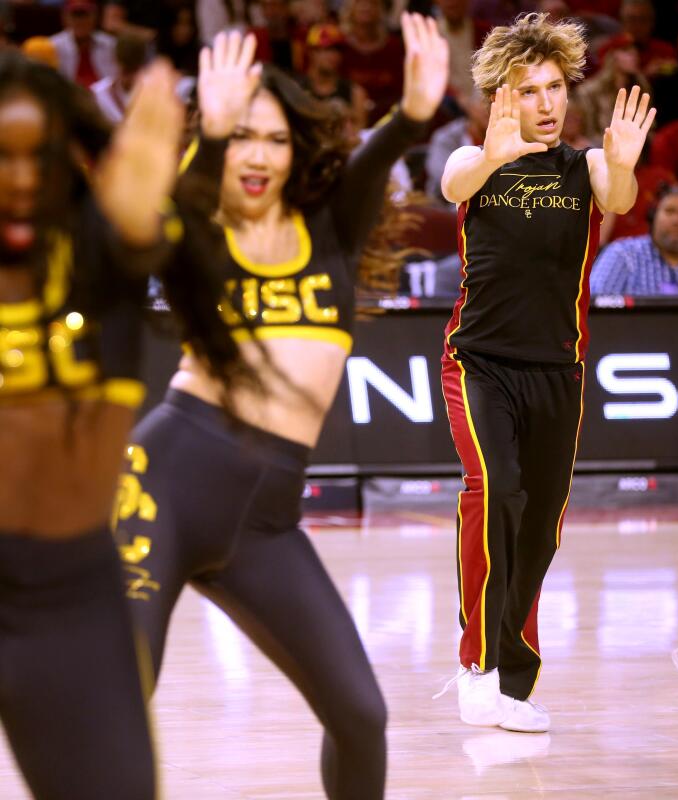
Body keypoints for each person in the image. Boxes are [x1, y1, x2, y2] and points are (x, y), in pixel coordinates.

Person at [112, 17, 448, 799]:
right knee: (119, 703)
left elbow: (381, 157)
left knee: (360, 714)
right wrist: (213, 129)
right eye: (243, 139)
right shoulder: (200, 231)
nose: (257, 156)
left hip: (265, 521)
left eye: (274, 139)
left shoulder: (328, 233)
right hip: (165, 486)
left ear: (297, 151)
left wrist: (414, 114)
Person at [437, 11, 654, 732]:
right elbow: (451, 184)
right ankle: (476, 667)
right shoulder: (477, 163)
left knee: (539, 531)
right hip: (479, 365)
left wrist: (621, 163)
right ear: (504, 98)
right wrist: (495, 154)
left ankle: (512, 675)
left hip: (558, 373)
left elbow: (617, 197)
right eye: (529, 91)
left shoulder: (584, 167)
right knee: (493, 490)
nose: (547, 102)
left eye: (555, 87)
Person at [0, 52, 183, 800]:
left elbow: (146, 237)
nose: (19, 179)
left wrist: (142, 214)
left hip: (68, 598)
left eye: (37, 158)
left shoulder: (101, 259)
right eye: (1, 158)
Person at [50, 0, 116, 89]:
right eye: (75, 15)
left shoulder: (111, 44)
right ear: (65, 17)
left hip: (103, 99)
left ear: (95, 17)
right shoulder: (52, 46)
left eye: (85, 15)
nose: (80, 21)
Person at [91, 32, 150, 124]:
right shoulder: (98, 94)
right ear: (114, 60)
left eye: (133, 70)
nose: (129, 78)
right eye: (125, 71)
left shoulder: (156, 95)